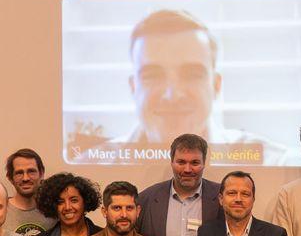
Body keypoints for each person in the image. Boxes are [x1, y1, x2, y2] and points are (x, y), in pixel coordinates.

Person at [95, 9, 284, 162]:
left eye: (192, 75)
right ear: (133, 87)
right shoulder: (90, 165)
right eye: (153, 76)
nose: (172, 95)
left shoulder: (272, 162)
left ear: (216, 86)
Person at [3, 148, 53, 236]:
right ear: (10, 178)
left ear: (41, 173)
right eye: (19, 173)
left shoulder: (53, 212)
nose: (25, 178)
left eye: (31, 171)